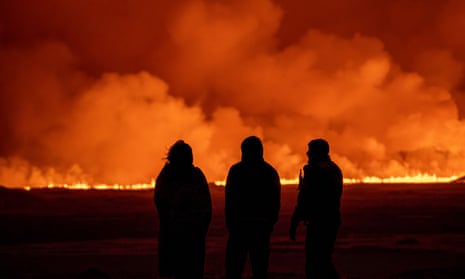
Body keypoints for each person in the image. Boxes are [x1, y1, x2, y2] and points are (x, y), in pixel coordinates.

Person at [225, 136, 281, 279]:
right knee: (260, 269)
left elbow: (229, 198)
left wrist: (231, 223)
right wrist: (270, 222)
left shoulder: (236, 171)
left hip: (239, 227)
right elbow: (275, 200)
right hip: (261, 227)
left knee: (234, 269)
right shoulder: (270, 172)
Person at [154, 140, 212, 279]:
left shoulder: (167, 177)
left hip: (182, 236)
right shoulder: (192, 176)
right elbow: (207, 208)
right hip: (183, 236)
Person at [289, 138, 343, 279]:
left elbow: (306, 199)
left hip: (320, 222)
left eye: (310, 151)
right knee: (323, 260)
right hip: (329, 220)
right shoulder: (333, 169)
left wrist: (294, 222)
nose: (307, 153)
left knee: (316, 263)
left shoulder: (316, 171)